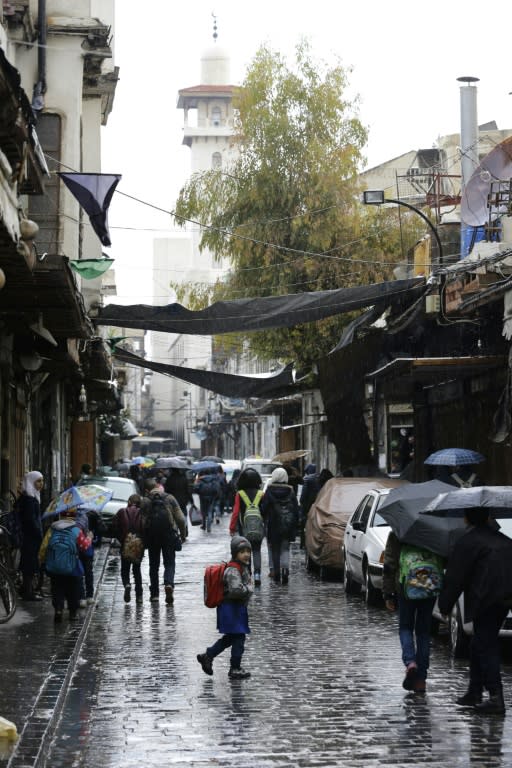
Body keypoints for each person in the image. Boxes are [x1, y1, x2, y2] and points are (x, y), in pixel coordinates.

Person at [438, 507, 512, 714]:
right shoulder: (504, 540)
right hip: (502, 600)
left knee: (484, 646)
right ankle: (474, 691)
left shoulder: (468, 542)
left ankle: (496, 698)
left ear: (466, 519)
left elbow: (455, 578)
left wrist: (445, 605)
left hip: (485, 600)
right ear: (488, 517)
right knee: (477, 644)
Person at [383, 531, 443, 693]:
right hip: (429, 584)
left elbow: (390, 563)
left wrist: (388, 593)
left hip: (406, 586)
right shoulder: (434, 527)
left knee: (405, 627)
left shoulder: (400, 529)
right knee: (423, 632)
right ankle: (421, 680)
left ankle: (410, 662)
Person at [197, 535, 254, 679]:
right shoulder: (234, 570)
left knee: (231, 637)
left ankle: (208, 655)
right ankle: (235, 668)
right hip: (231, 608)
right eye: (242, 552)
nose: (246, 554)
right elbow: (236, 590)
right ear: (235, 554)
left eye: (248, 551)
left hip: (234, 608)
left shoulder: (241, 567)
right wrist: (249, 588)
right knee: (239, 638)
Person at [39, 507, 91, 622]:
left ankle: (58, 609)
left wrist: (42, 559)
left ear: (60, 516)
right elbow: (85, 547)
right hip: (72, 567)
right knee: (73, 589)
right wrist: (90, 538)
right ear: (73, 516)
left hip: (54, 566)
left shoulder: (52, 529)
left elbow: (44, 547)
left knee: (57, 588)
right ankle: (72, 613)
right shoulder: (76, 530)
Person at [142, 479, 186, 604]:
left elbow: (142, 521)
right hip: (169, 535)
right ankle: (169, 584)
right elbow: (181, 519)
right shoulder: (170, 498)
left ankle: (155, 594)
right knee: (170, 563)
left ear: (147, 490)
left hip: (152, 537)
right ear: (158, 487)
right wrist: (183, 535)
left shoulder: (146, 500)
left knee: (153, 565)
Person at [261, 468, 299, 585]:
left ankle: (277, 573)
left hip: (273, 524)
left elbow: (264, 508)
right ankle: (285, 570)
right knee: (285, 548)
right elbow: (296, 509)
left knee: (275, 549)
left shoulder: (269, 490)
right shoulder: (291, 490)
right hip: (287, 524)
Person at [229, 468, 263, 585]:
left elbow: (235, 512)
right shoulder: (261, 494)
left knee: (246, 551)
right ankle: (258, 574)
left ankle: (248, 574)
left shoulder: (240, 494)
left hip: (244, 529)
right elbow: (264, 512)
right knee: (257, 550)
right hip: (259, 529)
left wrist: (232, 527)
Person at [112, 493, 144, 604]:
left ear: (129, 502)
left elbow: (114, 527)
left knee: (125, 570)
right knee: (137, 571)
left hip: (125, 543)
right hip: (138, 545)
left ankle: (127, 584)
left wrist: (121, 539)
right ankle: (139, 597)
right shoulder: (142, 513)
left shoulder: (122, 512)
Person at [18, 471, 44, 601]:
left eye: (42, 481)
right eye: (38, 481)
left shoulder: (33, 496)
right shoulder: (29, 499)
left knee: (30, 562)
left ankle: (26, 589)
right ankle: (28, 592)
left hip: (30, 536)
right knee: (29, 564)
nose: (41, 484)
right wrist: (38, 533)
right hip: (30, 537)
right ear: (31, 482)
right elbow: (31, 520)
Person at [298, 464, 320, 547]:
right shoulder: (319, 478)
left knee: (305, 524)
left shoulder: (307, 479)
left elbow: (303, 495)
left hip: (307, 506)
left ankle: (303, 543)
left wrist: (301, 502)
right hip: (317, 505)